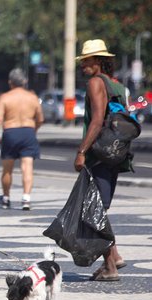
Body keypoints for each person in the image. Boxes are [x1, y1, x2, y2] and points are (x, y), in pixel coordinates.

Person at [74, 39, 128, 281]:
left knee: (94, 209)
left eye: (86, 61)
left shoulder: (95, 83)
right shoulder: (116, 85)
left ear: (98, 61)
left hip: (98, 153)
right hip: (115, 152)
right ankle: (114, 256)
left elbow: (96, 121)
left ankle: (110, 266)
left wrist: (82, 150)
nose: (83, 65)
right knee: (99, 207)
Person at [0, 69, 44, 210]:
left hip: (10, 132)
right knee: (27, 167)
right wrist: (34, 130)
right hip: (28, 132)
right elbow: (40, 119)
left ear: (10, 82)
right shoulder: (32, 97)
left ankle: (6, 198)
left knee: (7, 168)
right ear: (24, 82)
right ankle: (26, 198)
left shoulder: (5, 97)